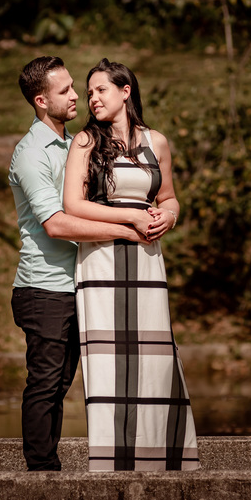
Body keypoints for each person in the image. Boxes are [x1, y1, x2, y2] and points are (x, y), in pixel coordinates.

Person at [8, 55, 146, 471]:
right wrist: (126, 230)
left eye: (75, 88)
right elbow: (56, 223)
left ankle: (50, 466)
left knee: (63, 383)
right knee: (46, 383)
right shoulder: (31, 154)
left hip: (82, 282)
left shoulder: (77, 143)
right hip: (44, 288)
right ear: (40, 100)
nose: (76, 97)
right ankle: (41, 473)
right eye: (65, 91)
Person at [63, 58, 200, 471]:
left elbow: (170, 197)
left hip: (147, 261)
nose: (92, 98)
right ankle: (110, 464)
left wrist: (166, 217)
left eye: (100, 90)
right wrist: (131, 218)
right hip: (102, 262)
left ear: (125, 92)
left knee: (154, 358)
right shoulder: (86, 142)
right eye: (89, 93)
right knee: (108, 363)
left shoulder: (156, 142)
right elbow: (73, 204)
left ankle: (159, 461)